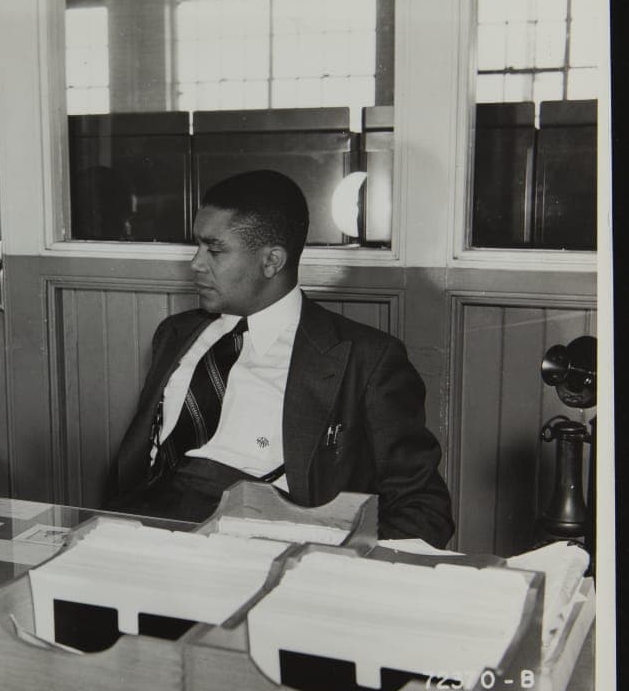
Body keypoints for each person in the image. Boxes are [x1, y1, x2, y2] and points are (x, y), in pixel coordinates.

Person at [111, 170, 454, 548]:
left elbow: (425, 510)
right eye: (197, 246)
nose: (195, 263)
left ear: (272, 261)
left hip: (262, 551)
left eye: (215, 249)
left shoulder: (365, 359)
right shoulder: (175, 334)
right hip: (144, 536)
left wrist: (325, 565)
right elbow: (136, 469)